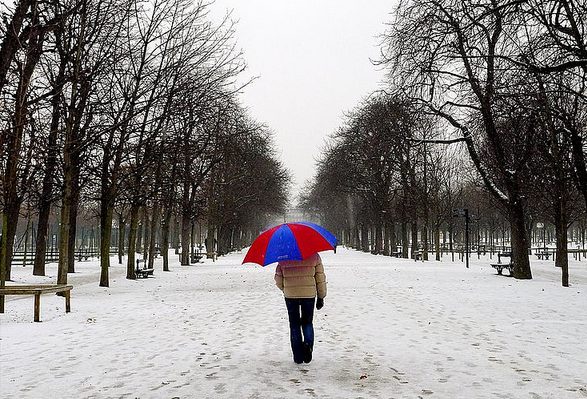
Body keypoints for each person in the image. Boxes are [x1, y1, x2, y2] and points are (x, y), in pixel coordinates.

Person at [274, 253, 327, 364]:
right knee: (307, 323)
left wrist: (285, 289)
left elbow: (278, 279)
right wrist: (321, 296)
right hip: (309, 295)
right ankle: (308, 344)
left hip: (290, 295)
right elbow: (320, 277)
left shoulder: (283, 256)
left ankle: (298, 356)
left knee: (294, 324)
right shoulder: (314, 255)